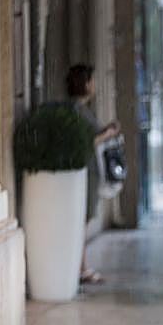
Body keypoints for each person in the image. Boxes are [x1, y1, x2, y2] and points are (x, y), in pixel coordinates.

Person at [66, 64, 119, 284]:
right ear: (86, 83)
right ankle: (81, 267)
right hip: (85, 171)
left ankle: (81, 266)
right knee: (81, 219)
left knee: (83, 219)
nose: (95, 85)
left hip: (88, 170)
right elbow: (86, 141)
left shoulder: (81, 110)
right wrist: (108, 134)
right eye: (92, 81)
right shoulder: (77, 111)